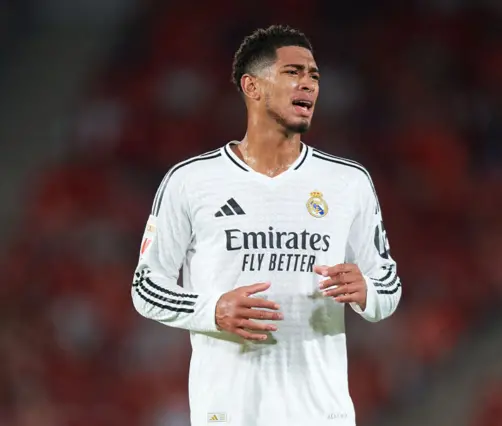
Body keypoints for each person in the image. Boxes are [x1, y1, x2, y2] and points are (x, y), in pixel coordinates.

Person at [131, 24, 401, 426]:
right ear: (252, 87)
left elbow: (388, 285)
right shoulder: (191, 181)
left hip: (321, 414)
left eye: (314, 76)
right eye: (293, 73)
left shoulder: (349, 182)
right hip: (228, 414)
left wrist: (368, 292)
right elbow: (146, 287)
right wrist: (213, 310)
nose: (308, 84)